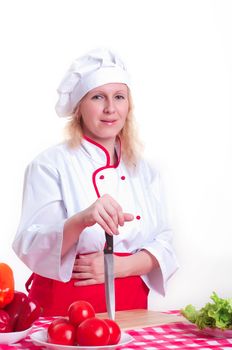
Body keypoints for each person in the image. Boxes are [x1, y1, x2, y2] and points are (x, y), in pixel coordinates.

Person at [12, 48, 178, 316]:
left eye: (119, 97)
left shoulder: (144, 170)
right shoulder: (49, 165)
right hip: (65, 308)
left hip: (131, 307)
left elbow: (165, 240)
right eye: (98, 97)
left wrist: (119, 266)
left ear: (129, 107)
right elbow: (30, 245)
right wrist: (82, 219)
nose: (110, 108)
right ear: (79, 108)